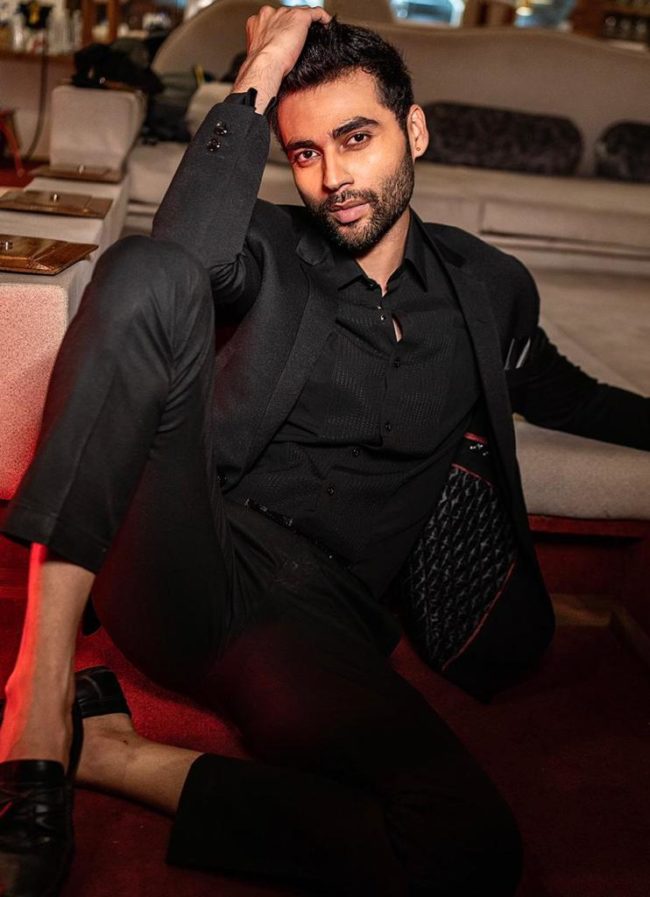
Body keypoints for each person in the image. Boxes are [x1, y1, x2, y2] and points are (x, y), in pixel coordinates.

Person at [0, 7, 648, 897]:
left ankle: (109, 752)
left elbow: (571, 395)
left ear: (414, 130)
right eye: (305, 152)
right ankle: (36, 709)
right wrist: (261, 70)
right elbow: (180, 263)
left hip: (319, 626)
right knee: (145, 267)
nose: (333, 177)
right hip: (189, 555)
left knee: (469, 845)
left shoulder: (488, 287)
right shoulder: (271, 246)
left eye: (356, 138)